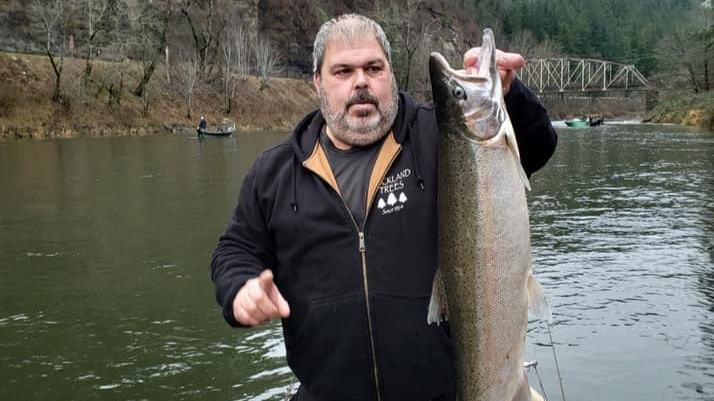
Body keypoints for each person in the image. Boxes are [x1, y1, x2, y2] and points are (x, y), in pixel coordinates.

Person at [211, 13, 558, 401]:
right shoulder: (274, 173)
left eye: (373, 68)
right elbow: (235, 249)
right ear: (318, 82)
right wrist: (240, 288)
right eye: (343, 71)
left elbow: (537, 146)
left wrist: (509, 94)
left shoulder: (444, 135)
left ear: (390, 74)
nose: (360, 81)